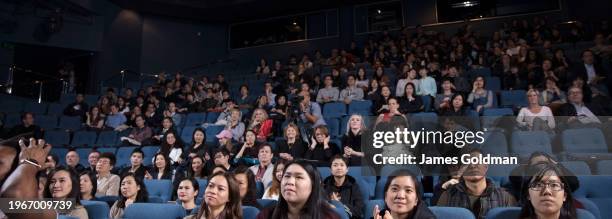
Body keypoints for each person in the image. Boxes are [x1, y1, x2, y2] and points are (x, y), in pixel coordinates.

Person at [437, 148, 517, 219]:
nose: (472, 165)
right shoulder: (447, 196)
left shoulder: (506, 197)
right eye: (466, 163)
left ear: (486, 166)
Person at [256, 160, 341, 219]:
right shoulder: (266, 215)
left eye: (299, 177)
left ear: (313, 184)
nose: (290, 182)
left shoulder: (330, 217)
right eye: (287, 176)